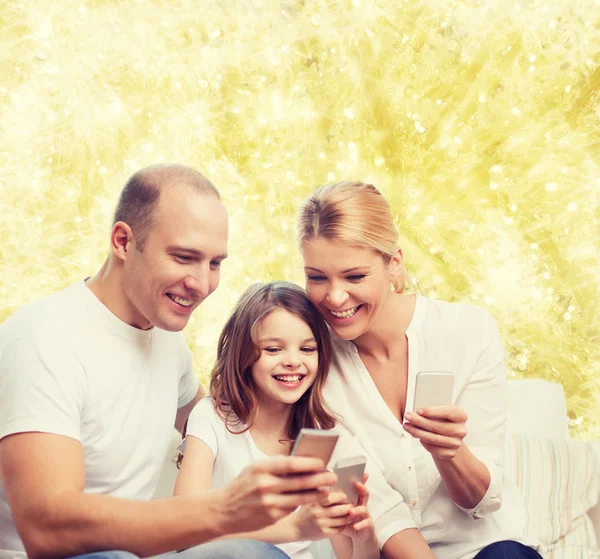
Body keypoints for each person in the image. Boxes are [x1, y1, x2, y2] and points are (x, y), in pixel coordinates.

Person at [0, 164, 337, 559]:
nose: (201, 284)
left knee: (255, 553)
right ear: (124, 241)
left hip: (137, 556)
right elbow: (46, 527)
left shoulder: (165, 338)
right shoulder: (43, 338)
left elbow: (215, 415)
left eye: (214, 264)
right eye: (183, 257)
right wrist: (226, 509)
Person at [296, 180, 543, 559]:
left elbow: (483, 501)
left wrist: (449, 453)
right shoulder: (312, 365)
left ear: (394, 263)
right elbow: (375, 507)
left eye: (354, 276)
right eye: (317, 277)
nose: (335, 297)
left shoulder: (468, 331)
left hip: (485, 549)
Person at [175, 281, 431, 559]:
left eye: (307, 349)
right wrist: (291, 528)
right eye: (274, 349)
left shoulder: (326, 436)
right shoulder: (212, 416)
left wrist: (363, 539)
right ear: (243, 353)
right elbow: (183, 533)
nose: (293, 361)